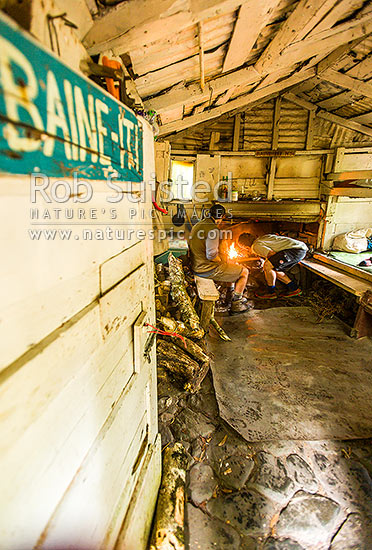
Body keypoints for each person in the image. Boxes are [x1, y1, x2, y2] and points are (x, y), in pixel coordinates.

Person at [189, 204, 250, 314]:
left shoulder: (199, 225)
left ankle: (229, 296)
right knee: (244, 272)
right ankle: (237, 304)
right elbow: (211, 256)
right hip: (205, 269)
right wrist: (223, 260)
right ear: (221, 216)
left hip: (196, 264)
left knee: (231, 267)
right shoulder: (213, 230)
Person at [238, 232, 308, 299]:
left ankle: (271, 292)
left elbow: (271, 253)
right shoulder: (262, 238)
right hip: (300, 249)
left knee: (267, 266)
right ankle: (294, 289)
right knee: (273, 267)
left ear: (245, 246)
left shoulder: (255, 246)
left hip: (295, 250)